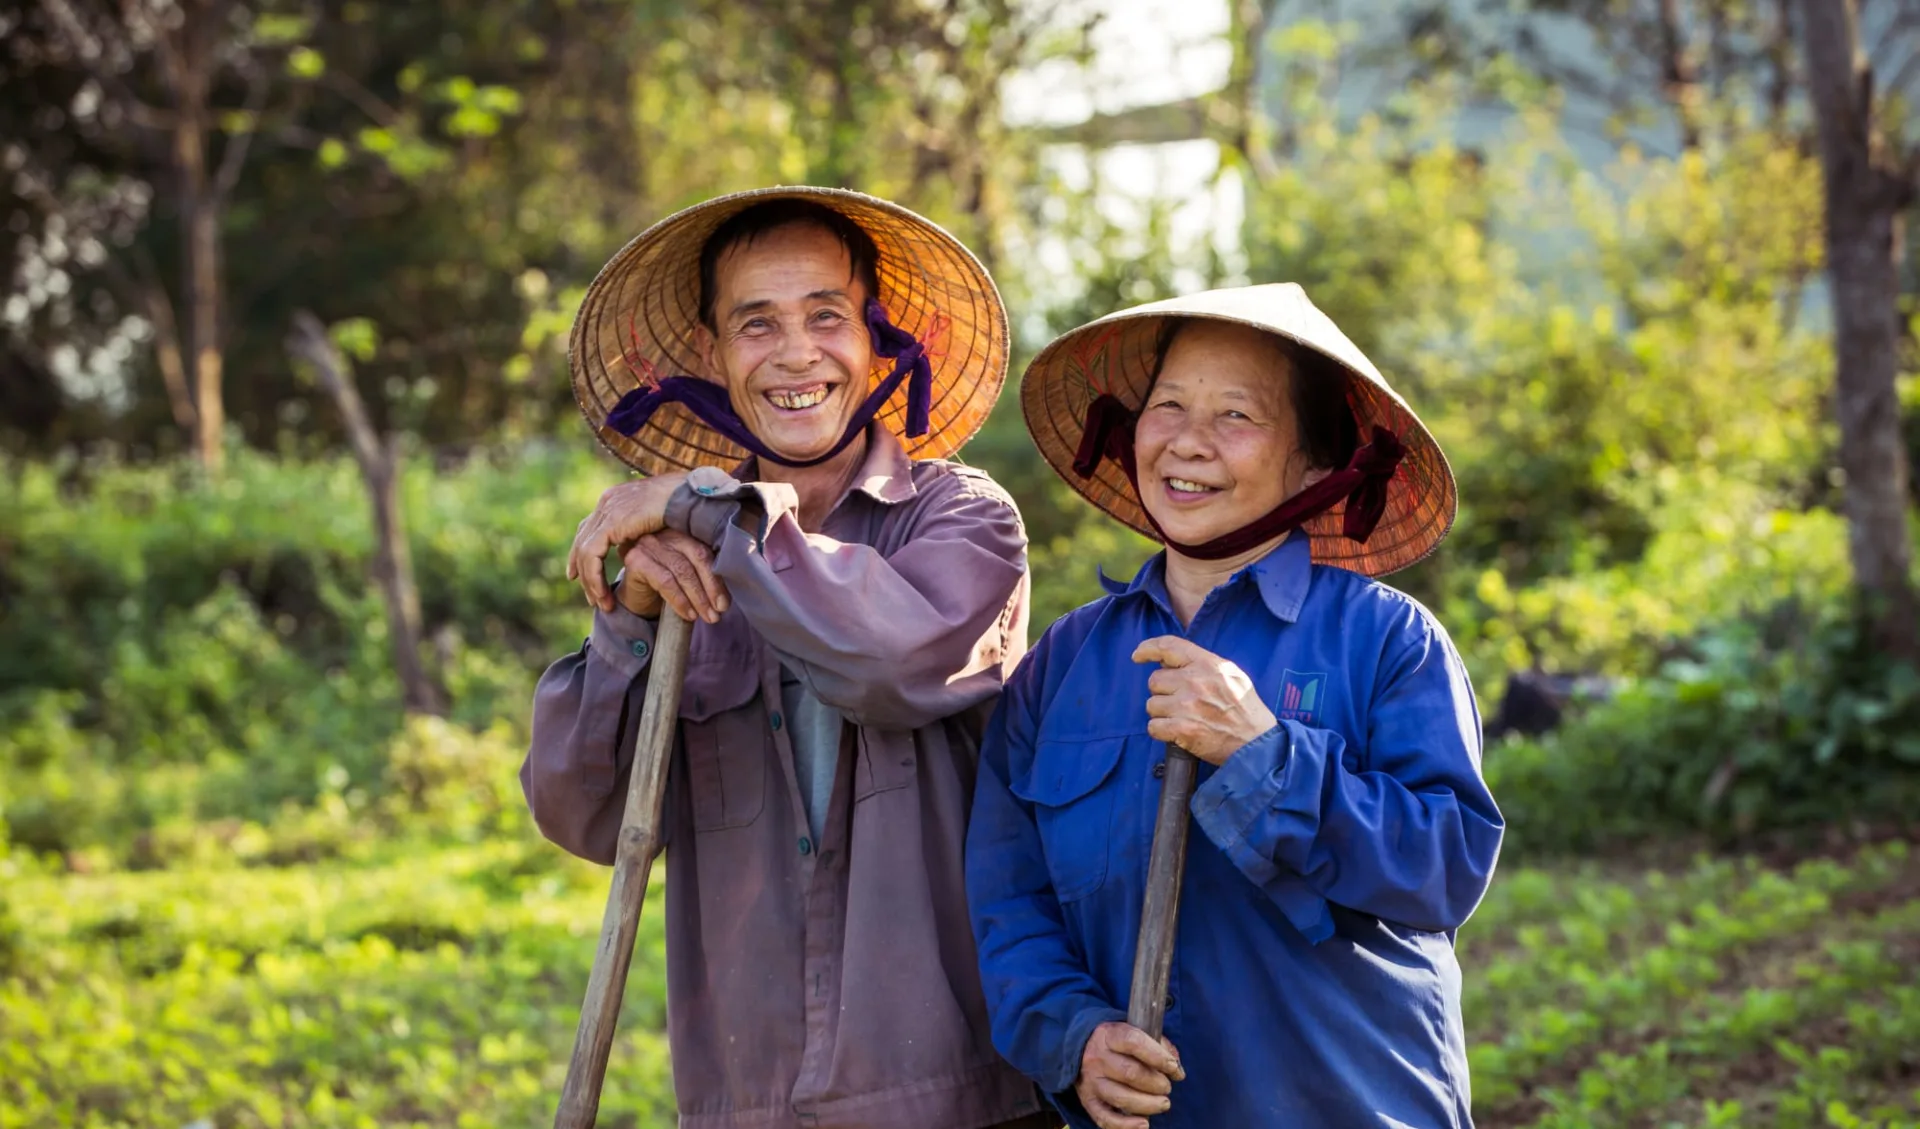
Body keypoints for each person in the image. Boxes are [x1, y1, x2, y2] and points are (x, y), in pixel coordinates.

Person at [522, 187, 1054, 1129]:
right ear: (710, 354)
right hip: (748, 1092)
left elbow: (889, 665)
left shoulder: (963, 518)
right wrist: (633, 621)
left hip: (953, 1092)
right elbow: (581, 813)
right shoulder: (679, 559)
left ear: (878, 337)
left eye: (826, 317)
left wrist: (702, 508)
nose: (796, 353)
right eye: (755, 323)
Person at [965, 283, 1504, 1129]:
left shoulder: (1388, 641)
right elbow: (1009, 903)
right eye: (1168, 406)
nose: (1188, 441)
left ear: (1314, 467)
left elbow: (1449, 867)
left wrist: (1265, 754)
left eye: (1236, 417)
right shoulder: (1062, 666)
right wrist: (1077, 1037)